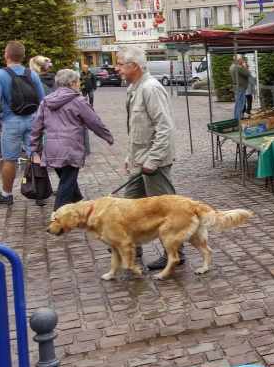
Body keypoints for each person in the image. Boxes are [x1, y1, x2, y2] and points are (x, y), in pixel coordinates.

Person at [116, 45, 177, 271]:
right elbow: (138, 129)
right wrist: (129, 156)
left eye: (121, 64)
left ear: (135, 66)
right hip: (139, 161)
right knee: (129, 207)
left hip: (154, 164)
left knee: (164, 210)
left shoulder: (151, 88)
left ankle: (175, 253)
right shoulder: (135, 88)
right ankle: (132, 248)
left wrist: (153, 161)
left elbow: (165, 128)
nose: (118, 68)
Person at [30, 69, 113, 210]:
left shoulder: (46, 101)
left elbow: (37, 126)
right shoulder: (78, 101)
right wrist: (107, 136)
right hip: (70, 149)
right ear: (73, 83)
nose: (79, 84)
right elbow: (94, 122)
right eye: (78, 81)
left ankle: (78, 202)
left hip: (51, 149)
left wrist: (34, 148)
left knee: (67, 180)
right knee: (67, 183)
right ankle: (58, 216)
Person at [0, 41, 45, 205]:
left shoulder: (1, 74)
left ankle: (6, 194)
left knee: (9, 159)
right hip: (32, 119)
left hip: (11, 121)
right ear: (23, 56)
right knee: (35, 154)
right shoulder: (32, 74)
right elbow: (42, 100)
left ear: (7, 54)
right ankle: (40, 192)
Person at [229, 55, 250, 120]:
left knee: (238, 103)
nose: (242, 60)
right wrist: (245, 66)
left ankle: (237, 117)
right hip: (240, 87)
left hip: (237, 87)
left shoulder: (232, 66)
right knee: (241, 103)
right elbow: (247, 73)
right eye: (241, 59)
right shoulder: (238, 67)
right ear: (238, 60)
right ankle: (238, 118)